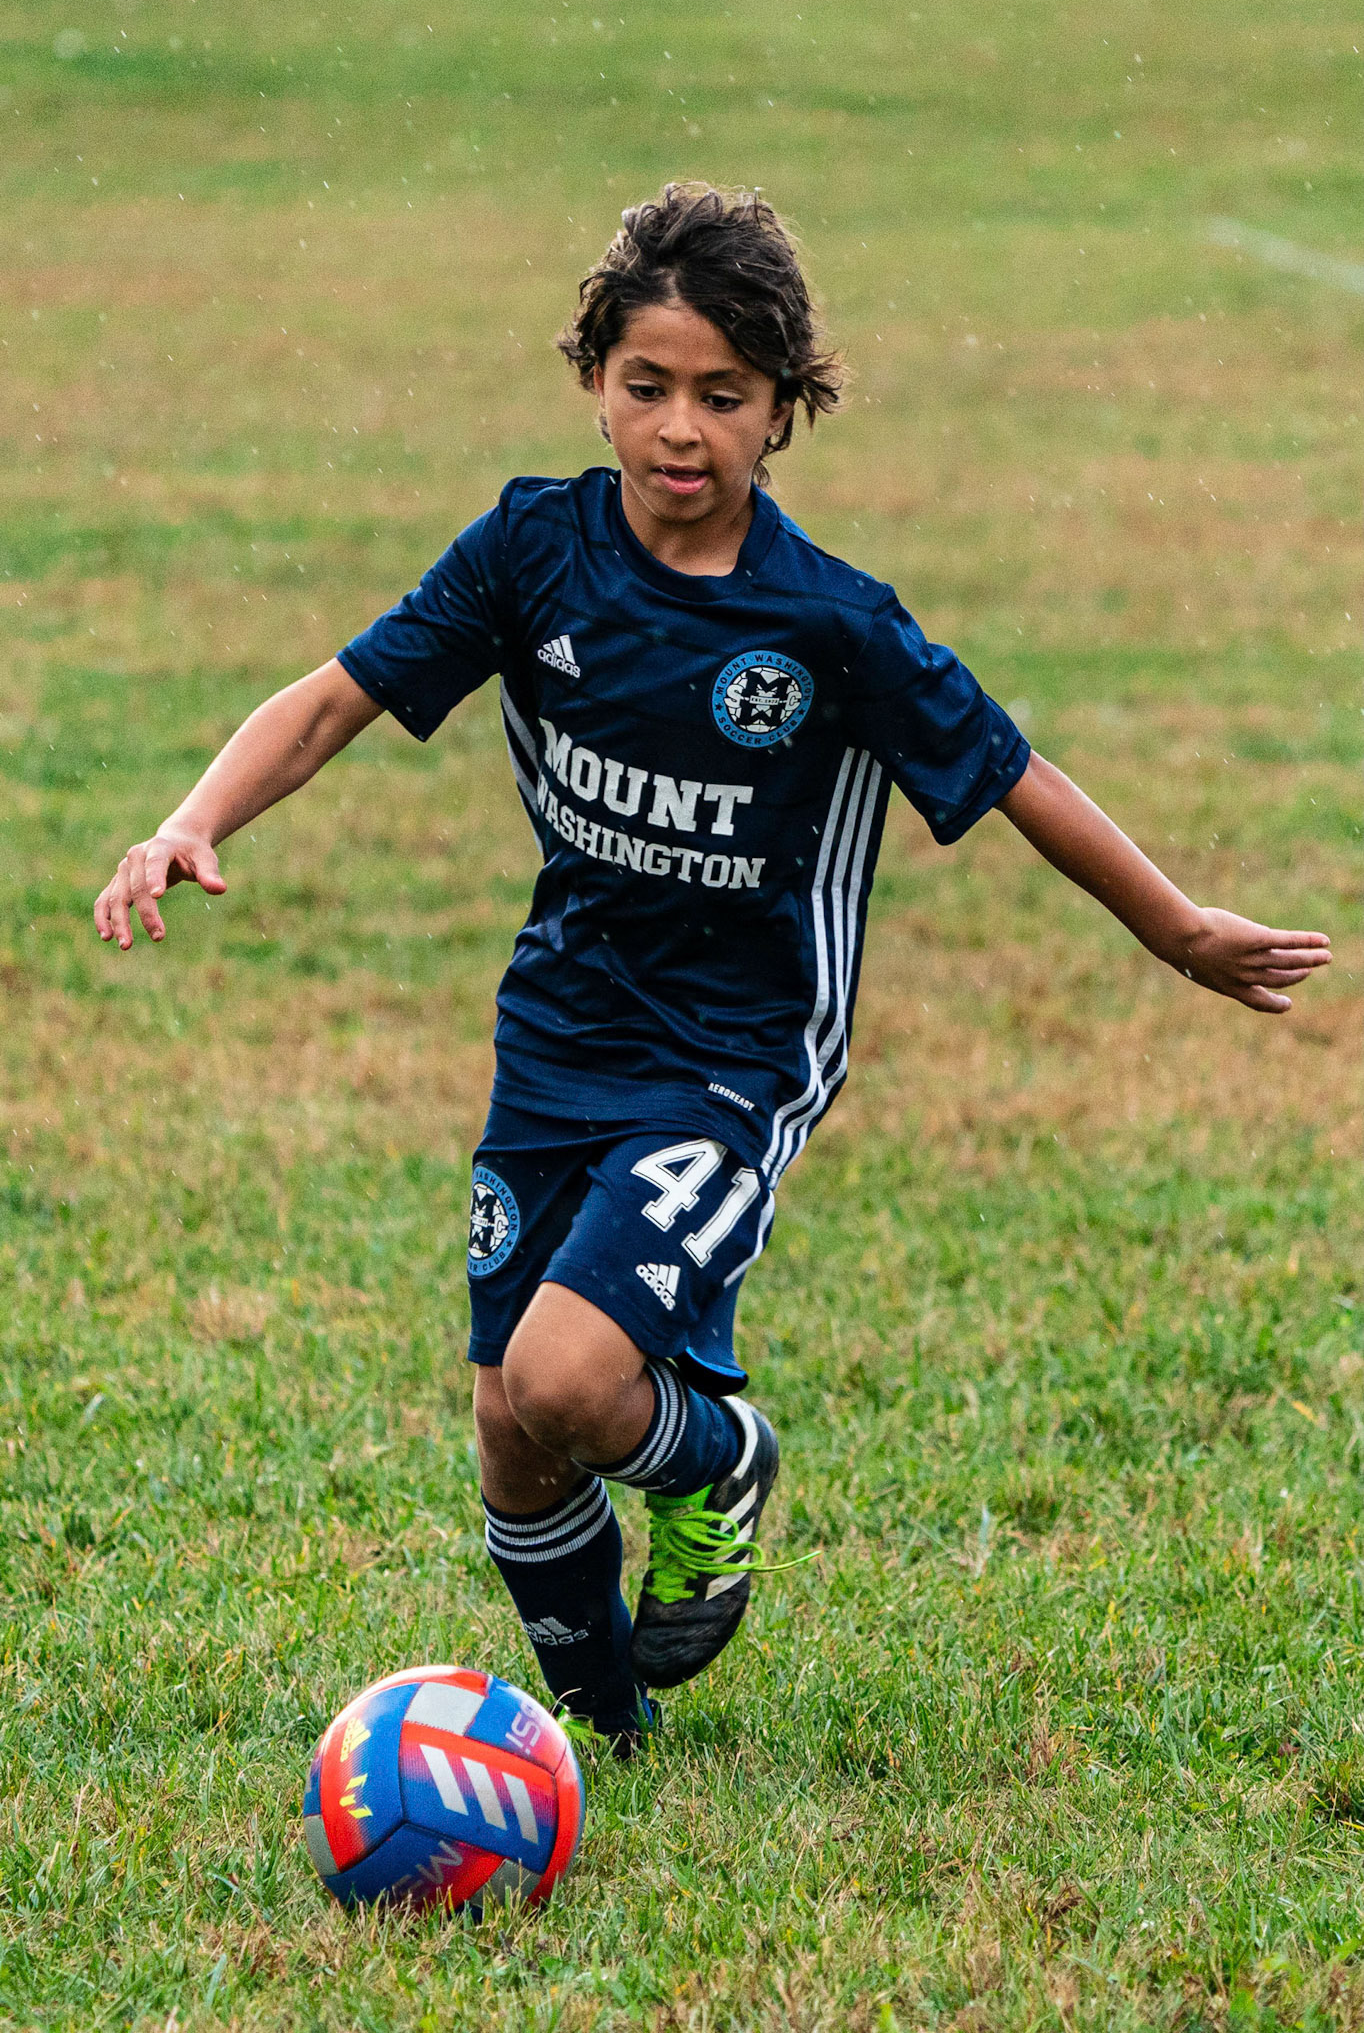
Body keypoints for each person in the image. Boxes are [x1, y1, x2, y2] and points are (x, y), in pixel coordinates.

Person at [93, 182, 1331, 1754]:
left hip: (736, 1052)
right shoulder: (532, 550)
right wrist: (189, 818)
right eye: (648, 386)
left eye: (725, 396)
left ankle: (718, 1457)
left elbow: (1010, 773)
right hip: (560, 1027)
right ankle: (599, 1738)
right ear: (594, 381)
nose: (682, 428)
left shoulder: (826, 623)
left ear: (784, 411)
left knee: (568, 1378)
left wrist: (1177, 929)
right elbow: (336, 696)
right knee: (510, 1428)